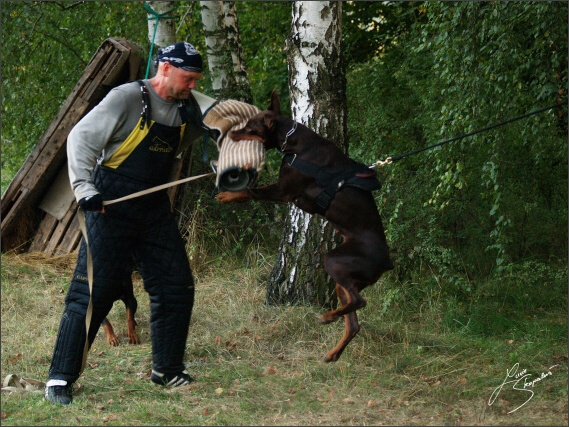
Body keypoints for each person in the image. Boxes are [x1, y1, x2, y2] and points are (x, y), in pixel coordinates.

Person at [45, 41, 206, 405]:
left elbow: (227, 117)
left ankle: (166, 370)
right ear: (165, 68)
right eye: (188, 78)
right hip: (110, 204)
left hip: (153, 208)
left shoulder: (189, 106)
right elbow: (80, 139)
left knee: (175, 285)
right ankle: (59, 379)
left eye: (197, 80)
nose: (192, 86)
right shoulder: (127, 98)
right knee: (92, 292)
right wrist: (84, 189)